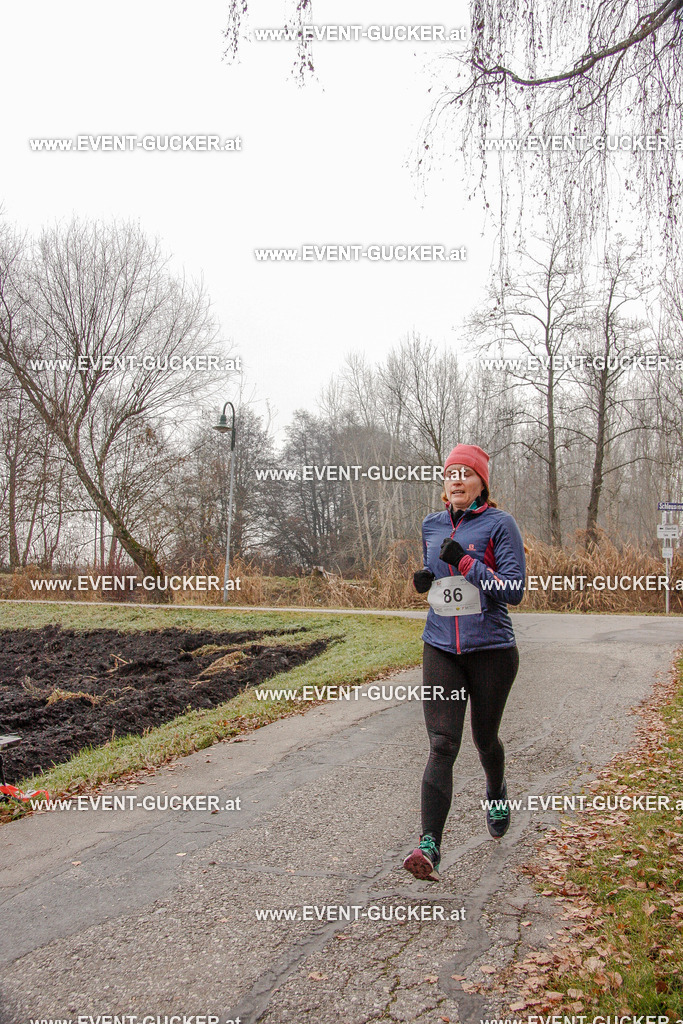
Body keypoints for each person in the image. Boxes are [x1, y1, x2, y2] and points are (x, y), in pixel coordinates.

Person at [403, 444, 525, 882]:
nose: (456, 479)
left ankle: (496, 791)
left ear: (481, 483)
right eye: (450, 473)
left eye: (465, 473)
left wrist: (467, 561)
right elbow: (439, 577)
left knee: (484, 739)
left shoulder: (500, 523)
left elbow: (513, 589)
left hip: (491, 650)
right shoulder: (431, 525)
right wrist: (425, 580)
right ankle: (429, 846)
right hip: (440, 647)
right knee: (442, 744)